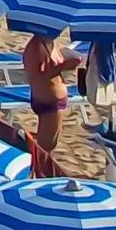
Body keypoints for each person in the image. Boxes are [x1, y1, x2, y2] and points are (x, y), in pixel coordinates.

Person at [22, 28, 82, 158]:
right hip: (48, 102)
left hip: (52, 99)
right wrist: (64, 66)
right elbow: (38, 77)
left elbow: (51, 68)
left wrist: (68, 64)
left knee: (48, 144)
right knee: (45, 149)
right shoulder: (36, 47)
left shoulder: (50, 42)